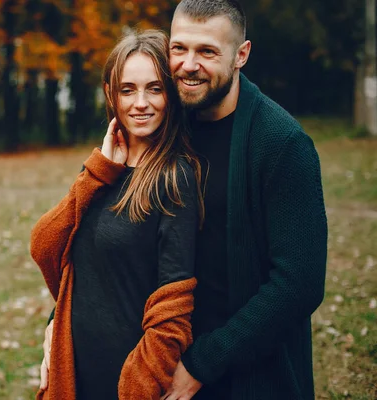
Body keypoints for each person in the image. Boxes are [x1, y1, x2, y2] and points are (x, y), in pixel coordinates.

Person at [41, 1, 328, 399]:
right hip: (165, 359)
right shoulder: (170, 123)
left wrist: (202, 363)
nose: (188, 65)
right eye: (179, 48)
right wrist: (60, 326)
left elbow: (299, 285)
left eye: (207, 51)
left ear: (241, 54)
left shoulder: (280, 145)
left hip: (242, 372)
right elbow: (103, 249)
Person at [30, 29, 204, 400]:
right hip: (75, 371)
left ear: (171, 94)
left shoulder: (175, 177)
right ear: (112, 94)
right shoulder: (103, 168)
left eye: (154, 88)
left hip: (126, 381)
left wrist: (139, 385)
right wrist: (53, 326)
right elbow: (46, 246)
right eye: (128, 90)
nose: (140, 103)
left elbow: (172, 309)